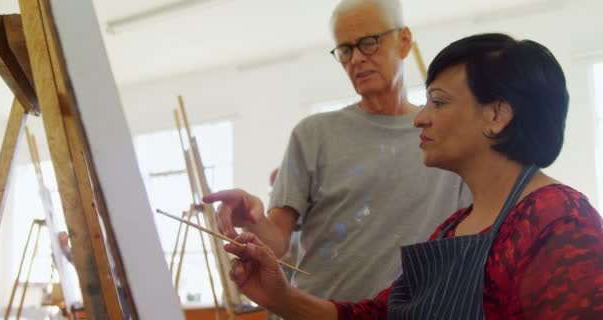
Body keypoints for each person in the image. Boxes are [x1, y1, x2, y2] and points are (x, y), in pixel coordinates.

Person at [216, 33, 603, 319]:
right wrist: (282, 297)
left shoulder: (559, 219)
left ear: (497, 116)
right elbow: (379, 315)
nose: (420, 117)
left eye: (439, 102)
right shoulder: (452, 230)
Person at [203, 0, 470, 302]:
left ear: (404, 41)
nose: (356, 59)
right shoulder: (313, 135)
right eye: (345, 50)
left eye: (369, 43)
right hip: (318, 310)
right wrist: (252, 220)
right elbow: (276, 242)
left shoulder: (443, 137)